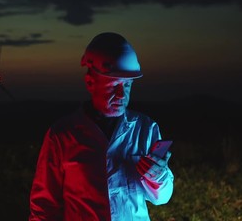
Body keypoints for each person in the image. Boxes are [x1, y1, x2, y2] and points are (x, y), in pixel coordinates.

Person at [28, 32, 174, 221]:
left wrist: (159, 175)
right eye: (114, 85)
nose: (122, 94)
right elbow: (43, 207)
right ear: (90, 82)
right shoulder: (62, 135)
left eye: (127, 85)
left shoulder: (146, 128)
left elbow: (162, 198)